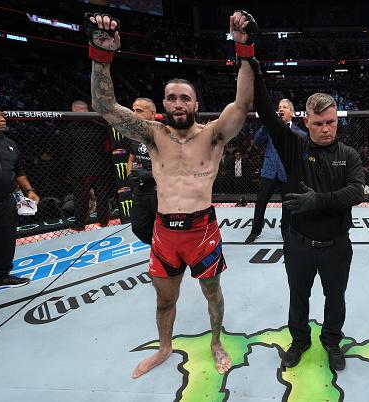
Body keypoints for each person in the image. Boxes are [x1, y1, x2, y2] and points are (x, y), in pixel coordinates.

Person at [86, 10, 256, 377]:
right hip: (165, 232)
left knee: (213, 295)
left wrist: (244, 49)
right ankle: (164, 347)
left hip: (203, 231)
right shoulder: (153, 135)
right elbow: (105, 107)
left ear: (195, 104)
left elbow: (242, 104)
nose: (178, 104)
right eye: (172, 98)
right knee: (165, 300)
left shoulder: (213, 135)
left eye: (185, 98)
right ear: (164, 104)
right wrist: (101, 56)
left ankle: (215, 341)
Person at [250, 60, 365, 371]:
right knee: (298, 297)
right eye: (318, 124)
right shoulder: (292, 145)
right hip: (299, 243)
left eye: (330, 122)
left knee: (335, 298)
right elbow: (264, 111)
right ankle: (300, 340)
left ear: (336, 119)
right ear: (305, 121)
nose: (325, 129)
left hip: (337, 244)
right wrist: (251, 63)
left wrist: (318, 201)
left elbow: (357, 191)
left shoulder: (349, 155)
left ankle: (331, 341)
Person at [245, 99, 307, 243]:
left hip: (288, 173)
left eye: (285, 107)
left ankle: (285, 231)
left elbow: (304, 156)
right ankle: (255, 231)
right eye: (279, 107)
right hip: (270, 170)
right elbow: (257, 141)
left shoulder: (301, 134)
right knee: (261, 201)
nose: (281, 109)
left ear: (291, 113)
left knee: (287, 204)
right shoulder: (270, 128)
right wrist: (266, 124)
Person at [0, 102, 40, 289]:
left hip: (5, 200)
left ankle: (0, 276)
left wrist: (29, 190)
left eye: (3, 115)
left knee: (5, 238)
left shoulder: (9, 144)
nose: (3, 119)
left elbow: (18, 170)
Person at [68, 100, 113, 230]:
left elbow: (65, 150)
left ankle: (80, 224)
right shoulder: (101, 126)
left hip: (80, 168)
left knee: (81, 197)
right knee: (101, 195)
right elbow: (107, 148)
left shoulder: (70, 129)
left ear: (75, 111)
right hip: (99, 166)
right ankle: (104, 222)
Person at [126, 97, 157, 245]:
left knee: (164, 229)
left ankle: (165, 260)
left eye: (139, 111)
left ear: (152, 113)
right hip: (140, 191)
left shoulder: (162, 134)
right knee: (139, 228)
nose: (134, 113)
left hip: (159, 191)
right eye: (133, 110)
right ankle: (159, 249)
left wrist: (151, 175)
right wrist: (129, 175)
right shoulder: (134, 135)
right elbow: (131, 158)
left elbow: (176, 165)